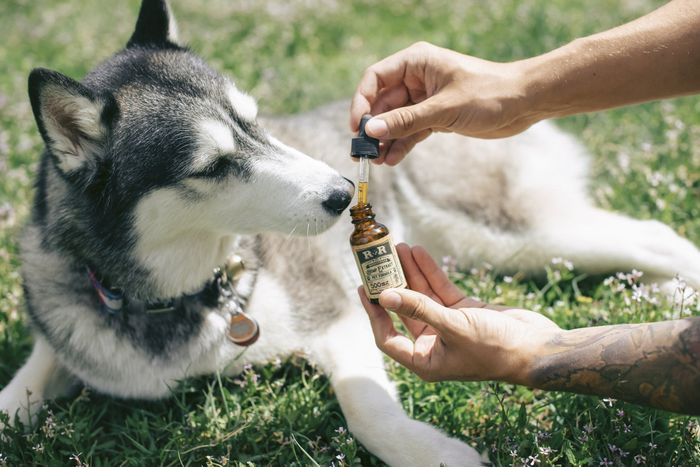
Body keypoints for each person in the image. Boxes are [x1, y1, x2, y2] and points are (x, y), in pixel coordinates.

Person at [350, 0, 700, 415]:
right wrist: (517, 88)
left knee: (536, 239)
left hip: (463, 173)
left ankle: (665, 258)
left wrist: (538, 355)